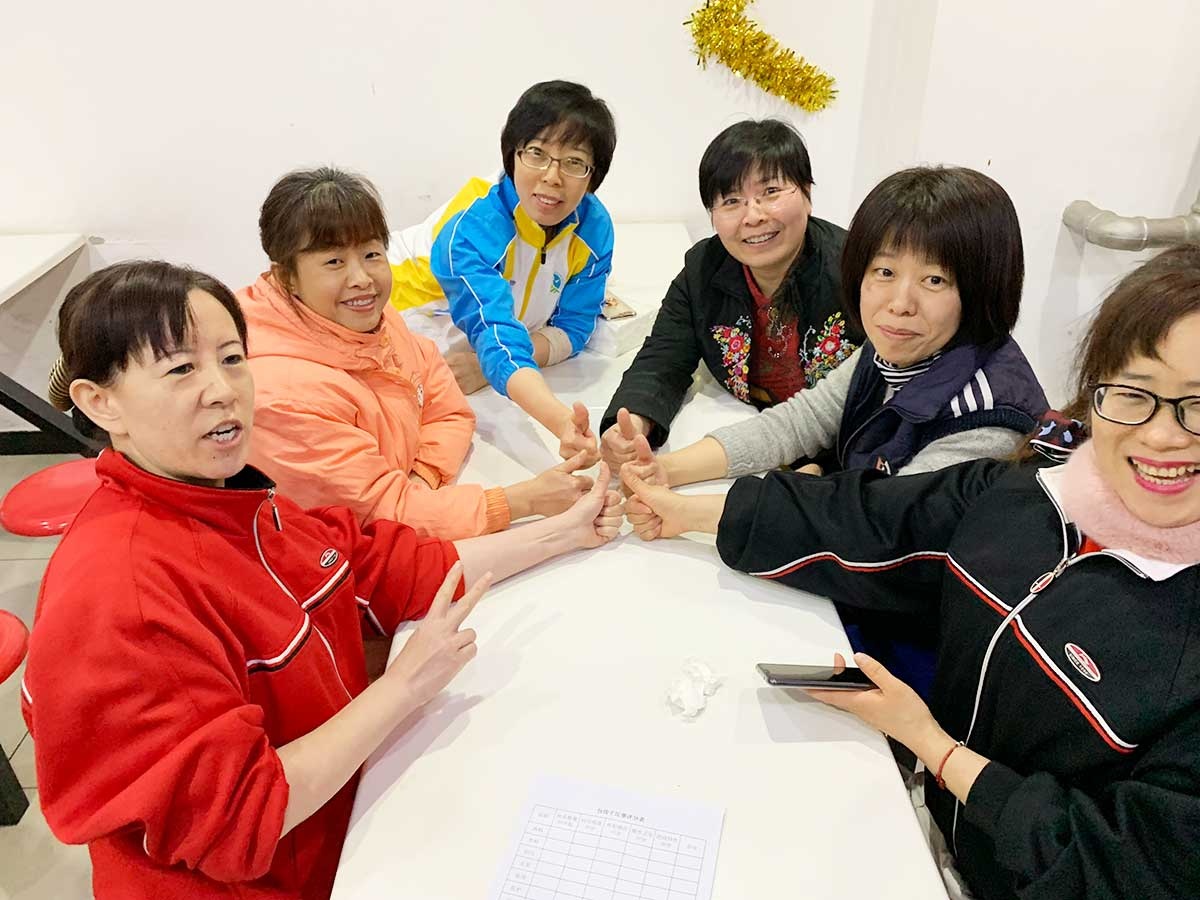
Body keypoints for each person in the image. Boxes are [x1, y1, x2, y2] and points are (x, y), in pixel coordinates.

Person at [24, 260, 623, 900]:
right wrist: (401, 687)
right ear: (100, 402)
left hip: (341, 816)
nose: (223, 389)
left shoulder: (231, 495)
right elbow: (243, 816)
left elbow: (385, 568)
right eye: (180, 369)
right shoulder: (124, 598)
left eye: (232, 358)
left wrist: (564, 533)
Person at [623, 245, 1200, 900]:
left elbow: (1120, 866)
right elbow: (876, 518)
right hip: (925, 833)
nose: (1161, 436)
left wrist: (935, 748)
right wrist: (687, 512)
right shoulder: (1039, 488)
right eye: (1135, 392)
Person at [623, 165, 1046, 514]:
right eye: (885, 272)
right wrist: (665, 470)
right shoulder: (893, 350)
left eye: (934, 280)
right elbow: (802, 421)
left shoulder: (986, 420)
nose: (899, 304)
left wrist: (688, 513)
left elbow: (878, 525)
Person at [240, 167, 596, 541]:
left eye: (371, 254)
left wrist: (422, 476)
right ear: (286, 277)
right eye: (334, 262)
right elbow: (379, 516)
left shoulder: (366, 317)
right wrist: (525, 500)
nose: (362, 279)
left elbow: (448, 406)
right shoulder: (279, 398)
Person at [600, 119, 859, 471]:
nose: (753, 216)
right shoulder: (703, 270)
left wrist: (826, 470)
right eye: (732, 201)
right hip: (751, 441)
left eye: (771, 192)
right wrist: (632, 424)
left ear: (807, 194)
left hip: (843, 457)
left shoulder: (856, 271)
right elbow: (664, 360)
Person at [389, 80, 617, 464]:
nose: (552, 176)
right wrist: (560, 421)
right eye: (537, 153)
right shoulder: (472, 230)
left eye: (574, 162)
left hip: (480, 351)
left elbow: (575, 328)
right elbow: (495, 335)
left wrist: (494, 361)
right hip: (403, 321)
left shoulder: (593, 228)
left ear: (593, 176)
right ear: (513, 154)